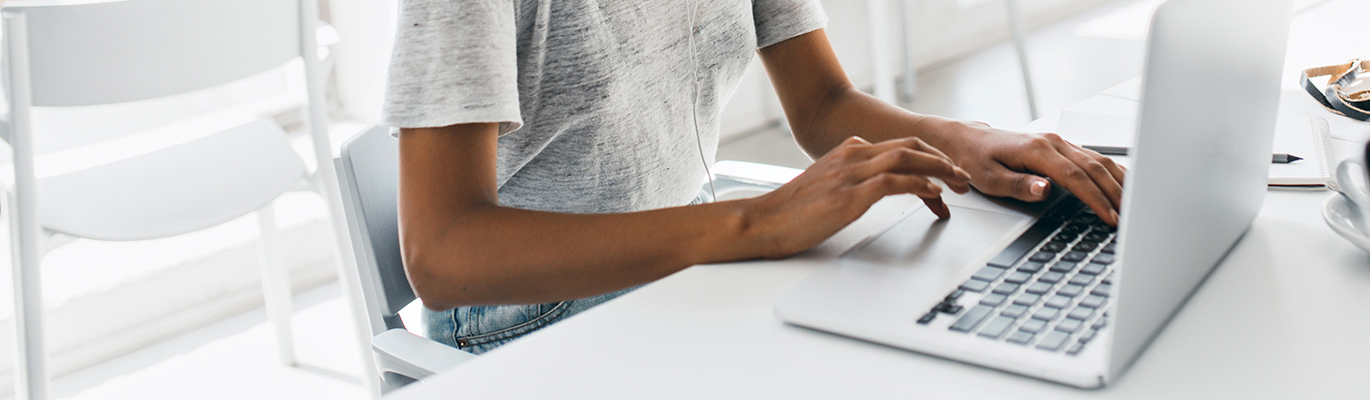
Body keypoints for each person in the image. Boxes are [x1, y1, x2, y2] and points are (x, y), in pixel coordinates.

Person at [382, 0, 1125, 354]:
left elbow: (824, 103)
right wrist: (757, 222)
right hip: (526, 315)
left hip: (683, 260)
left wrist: (970, 142)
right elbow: (444, 258)